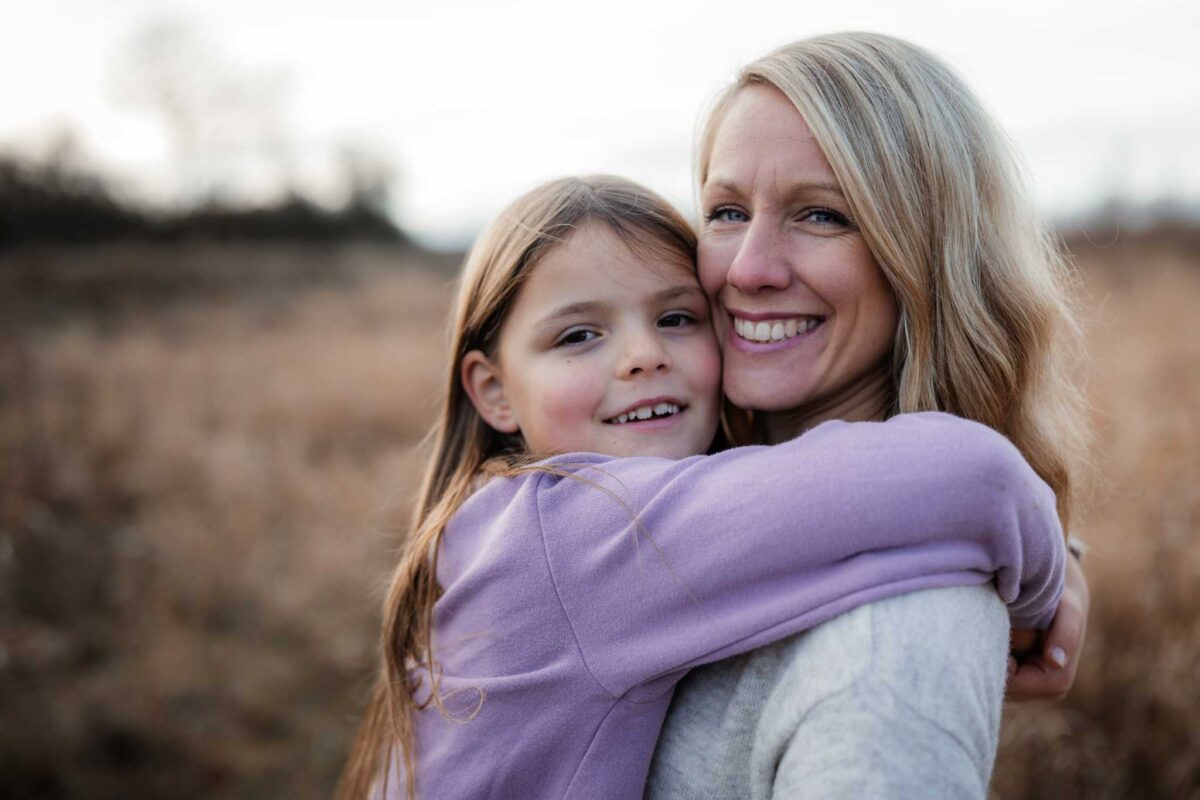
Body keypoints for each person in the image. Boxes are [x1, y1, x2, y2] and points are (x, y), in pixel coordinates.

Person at [335, 174, 1067, 800]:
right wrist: (1046, 595)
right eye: (578, 335)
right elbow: (977, 477)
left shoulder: (504, 521)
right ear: (493, 391)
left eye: (677, 318)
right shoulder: (570, 535)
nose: (644, 355)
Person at [644, 32, 1091, 798]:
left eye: (822, 217)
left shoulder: (891, 648)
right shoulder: (667, 467)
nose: (748, 268)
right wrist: (1057, 555)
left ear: (930, 253)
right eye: (725, 210)